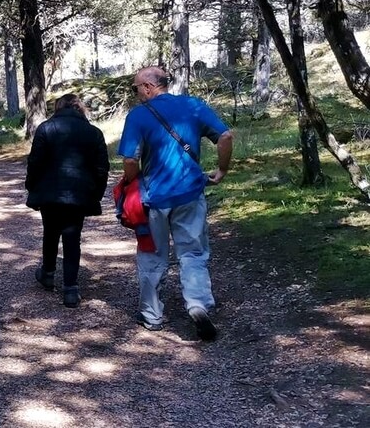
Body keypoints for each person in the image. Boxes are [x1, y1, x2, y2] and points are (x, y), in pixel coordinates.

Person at [117, 66, 233, 341]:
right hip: (190, 194)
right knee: (192, 253)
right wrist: (223, 169)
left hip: (154, 199)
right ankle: (197, 304)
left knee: (152, 256)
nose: (136, 94)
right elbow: (225, 136)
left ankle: (152, 315)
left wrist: (131, 181)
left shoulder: (138, 116)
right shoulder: (193, 105)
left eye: (136, 88)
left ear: (148, 86)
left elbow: (130, 160)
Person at [25, 94, 110, 308]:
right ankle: (70, 289)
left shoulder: (46, 128)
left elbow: (35, 162)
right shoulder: (94, 133)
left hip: (49, 194)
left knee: (50, 232)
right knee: (73, 238)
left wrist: (31, 186)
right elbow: (102, 169)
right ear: (79, 108)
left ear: (58, 108)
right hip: (79, 196)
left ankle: (48, 273)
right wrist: (96, 194)